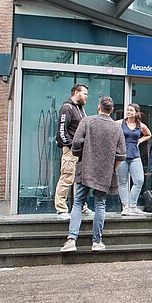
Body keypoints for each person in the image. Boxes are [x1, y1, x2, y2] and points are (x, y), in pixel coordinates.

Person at [60, 96, 125, 253]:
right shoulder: (116, 127)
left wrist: (80, 156)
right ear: (111, 110)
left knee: (77, 203)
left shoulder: (87, 121)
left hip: (85, 169)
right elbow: (121, 154)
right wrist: (112, 169)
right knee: (100, 205)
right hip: (104, 173)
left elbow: (76, 143)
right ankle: (97, 241)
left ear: (98, 107)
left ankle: (71, 240)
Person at [54, 83, 93, 220]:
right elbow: (61, 131)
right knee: (67, 177)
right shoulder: (67, 108)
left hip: (81, 151)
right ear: (76, 93)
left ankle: (81, 206)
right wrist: (71, 145)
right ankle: (61, 209)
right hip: (71, 151)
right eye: (85, 94)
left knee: (80, 179)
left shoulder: (81, 109)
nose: (86, 97)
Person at [116, 103, 152, 216]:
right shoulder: (120, 123)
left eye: (131, 110)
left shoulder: (140, 125)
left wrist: (140, 141)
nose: (128, 112)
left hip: (135, 155)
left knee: (139, 180)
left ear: (136, 113)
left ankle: (132, 206)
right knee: (122, 182)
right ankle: (125, 207)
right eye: (128, 110)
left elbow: (148, 134)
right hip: (122, 155)